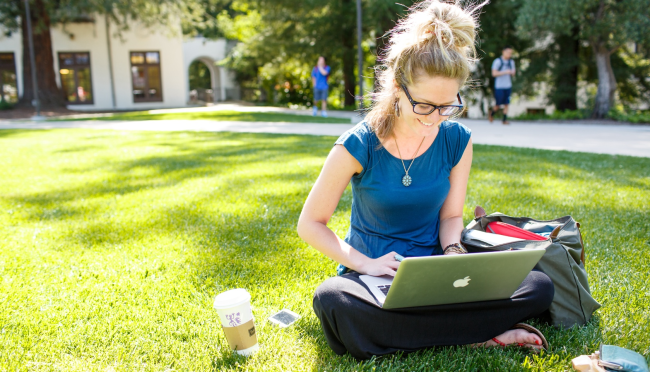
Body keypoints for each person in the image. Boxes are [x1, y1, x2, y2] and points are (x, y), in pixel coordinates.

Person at [297, 0, 554, 361]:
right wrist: (365, 264)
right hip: (373, 279)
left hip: (437, 274)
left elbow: (451, 217)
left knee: (539, 285)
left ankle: (415, 333)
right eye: (425, 106)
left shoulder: (457, 139)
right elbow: (310, 224)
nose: (435, 118)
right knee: (332, 300)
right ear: (397, 88)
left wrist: (453, 252)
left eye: (447, 106)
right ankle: (476, 334)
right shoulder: (359, 144)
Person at [488, 46, 516, 124]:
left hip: (508, 86)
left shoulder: (511, 62)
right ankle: (491, 114)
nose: (509, 54)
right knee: (498, 104)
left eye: (510, 53)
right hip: (499, 86)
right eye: (508, 52)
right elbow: (494, 73)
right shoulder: (497, 61)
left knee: (507, 104)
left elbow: (513, 73)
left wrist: (512, 72)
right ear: (503, 52)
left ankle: (504, 120)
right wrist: (505, 72)